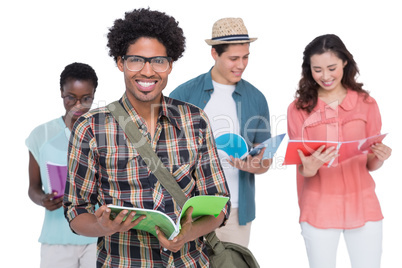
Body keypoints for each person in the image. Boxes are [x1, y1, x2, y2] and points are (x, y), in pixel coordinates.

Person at [63, 8, 230, 267]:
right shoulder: (90, 127)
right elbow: (76, 210)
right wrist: (102, 226)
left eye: (158, 61)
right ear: (120, 62)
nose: (148, 71)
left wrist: (187, 234)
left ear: (170, 64)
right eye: (136, 60)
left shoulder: (195, 120)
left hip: (188, 261)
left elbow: (218, 205)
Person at [287, 34, 392, 268]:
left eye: (332, 68)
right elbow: (302, 166)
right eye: (317, 70)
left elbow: (370, 163)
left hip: (364, 204)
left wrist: (380, 157)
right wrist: (310, 167)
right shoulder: (299, 109)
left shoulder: (367, 103)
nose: (325, 76)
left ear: (345, 63)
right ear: (309, 70)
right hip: (318, 206)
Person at [170, 17, 271, 248]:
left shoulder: (256, 98)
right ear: (215, 54)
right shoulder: (184, 94)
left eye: (246, 57)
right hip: (190, 209)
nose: (241, 65)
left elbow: (264, 159)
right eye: (233, 58)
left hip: (236, 211)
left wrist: (254, 165)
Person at [26, 62, 98, 268]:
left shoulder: (104, 133)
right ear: (61, 93)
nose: (78, 105)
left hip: (97, 237)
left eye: (86, 98)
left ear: (93, 95)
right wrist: (43, 200)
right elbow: (33, 188)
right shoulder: (42, 135)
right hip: (56, 239)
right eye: (70, 98)